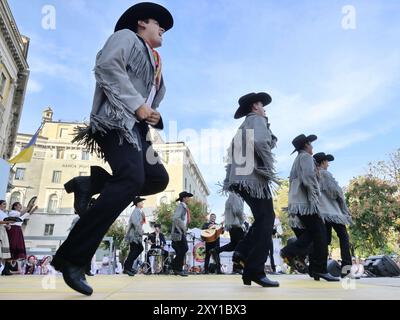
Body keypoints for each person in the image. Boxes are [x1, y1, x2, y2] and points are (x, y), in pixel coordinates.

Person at [51, 2, 173, 295]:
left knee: (157, 179)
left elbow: (149, 100)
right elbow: (107, 67)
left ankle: (89, 182)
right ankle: (72, 258)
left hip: (138, 131)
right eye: (160, 24)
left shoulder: (155, 60)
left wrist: (153, 114)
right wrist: (137, 106)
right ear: (142, 22)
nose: (164, 30)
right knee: (130, 179)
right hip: (116, 123)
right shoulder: (126, 38)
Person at [223, 92, 279, 287]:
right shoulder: (256, 120)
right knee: (267, 218)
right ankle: (255, 269)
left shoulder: (244, 125)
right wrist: (268, 167)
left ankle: (243, 253)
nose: (265, 109)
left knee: (264, 218)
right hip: (253, 179)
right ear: (255, 106)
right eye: (262, 105)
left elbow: (231, 155)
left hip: (242, 179)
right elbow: (261, 143)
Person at [281, 134, 339, 282]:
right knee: (320, 234)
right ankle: (315, 267)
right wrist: (315, 195)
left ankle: (314, 269)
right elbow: (308, 177)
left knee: (313, 233)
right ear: (306, 145)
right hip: (305, 203)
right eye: (311, 144)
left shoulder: (298, 159)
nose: (312, 147)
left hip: (297, 203)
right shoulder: (306, 157)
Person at [314, 152, 354, 278]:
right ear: (322, 162)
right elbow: (336, 192)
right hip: (333, 212)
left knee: (323, 241)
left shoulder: (313, 175)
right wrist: (344, 208)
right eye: (327, 161)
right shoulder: (325, 174)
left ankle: (317, 270)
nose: (328, 164)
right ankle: (346, 270)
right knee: (344, 237)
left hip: (322, 212)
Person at [211, 193, 245, 274]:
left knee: (233, 245)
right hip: (236, 225)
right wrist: (242, 220)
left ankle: (216, 250)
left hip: (231, 226)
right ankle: (237, 267)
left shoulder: (229, 199)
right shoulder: (236, 197)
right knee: (241, 246)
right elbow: (237, 211)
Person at [171, 191, 192, 277]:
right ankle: (175, 266)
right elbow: (176, 218)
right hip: (178, 231)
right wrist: (183, 227)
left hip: (179, 231)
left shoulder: (184, 207)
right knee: (184, 248)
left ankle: (176, 268)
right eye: (188, 197)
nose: (189, 199)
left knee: (181, 250)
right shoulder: (181, 206)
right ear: (184, 198)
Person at [123, 197, 146, 276]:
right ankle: (127, 267)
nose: (143, 203)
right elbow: (136, 224)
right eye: (141, 202)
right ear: (137, 203)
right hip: (134, 236)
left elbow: (139, 223)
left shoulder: (139, 211)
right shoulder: (136, 211)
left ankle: (128, 267)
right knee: (138, 249)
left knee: (134, 251)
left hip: (135, 235)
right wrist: (141, 232)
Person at [0, 200, 13, 276]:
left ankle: (5, 269)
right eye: (4, 204)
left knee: (5, 250)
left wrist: (8, 225)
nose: (5, 205)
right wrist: (6, 223)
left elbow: (5, 223)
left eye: (5, 204)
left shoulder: (4, 214)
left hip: (3, 231)